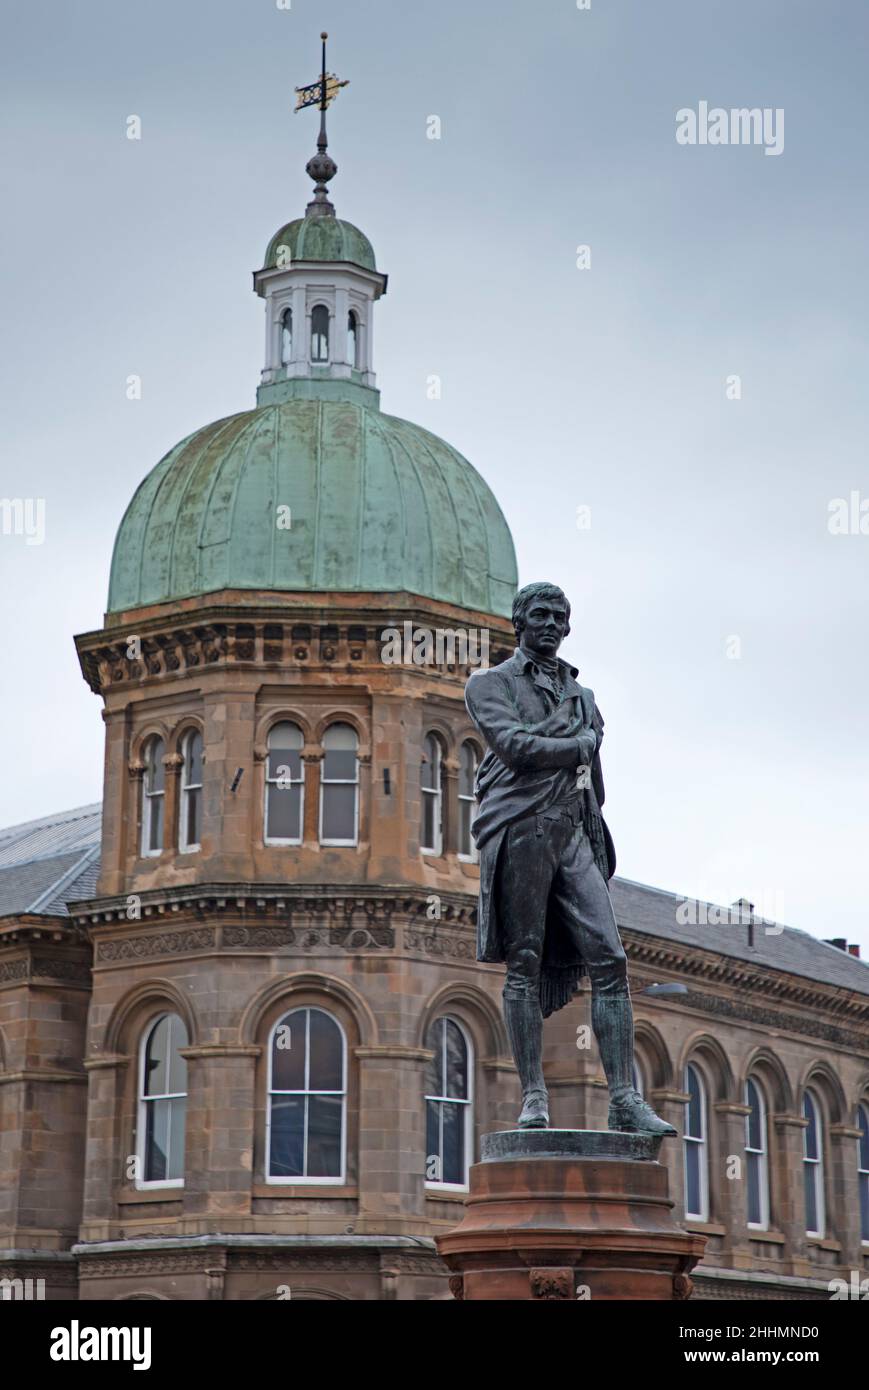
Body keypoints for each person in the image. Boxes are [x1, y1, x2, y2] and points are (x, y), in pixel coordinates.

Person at [465, 581, 675, 1135]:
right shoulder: (490, 685)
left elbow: (592, 780)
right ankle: (533, 1095)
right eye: (541, 614)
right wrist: (578, 743)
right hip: (521, 828)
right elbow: (516, 748)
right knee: (525, 960)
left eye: (561, 616)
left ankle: (624, 1098)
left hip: (573, 829)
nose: (552, 624)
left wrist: (583, 776)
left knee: (611, 958)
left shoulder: (584, 697)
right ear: (518, 621)